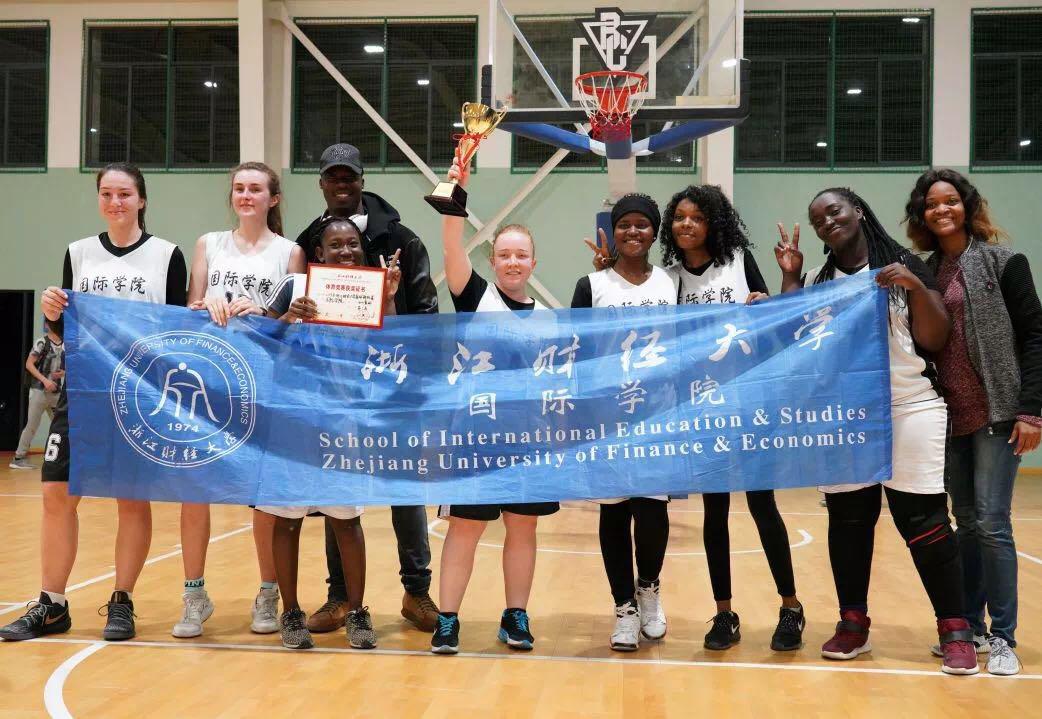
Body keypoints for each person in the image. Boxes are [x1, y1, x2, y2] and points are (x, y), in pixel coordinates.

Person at [773, 187, 978, 675]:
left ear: (858, 211)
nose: (827, 223)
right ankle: (853, 623)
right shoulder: (820, 281)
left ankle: (955, 629)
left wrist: (914, 286)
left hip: (910, 406)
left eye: (834, 211)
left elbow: (935, 338)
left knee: (924, 520)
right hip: (844, 414)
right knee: (848, 521)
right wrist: (790, 277)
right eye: (818, 219)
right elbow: (792, 339)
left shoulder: (904, 265)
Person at [0, 163, 187, 642]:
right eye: (106, 193)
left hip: (137, 396)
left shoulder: (167, 255)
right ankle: (52, 603)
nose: (115, 202)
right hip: (83, 391)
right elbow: (67, 329)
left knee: (131, 498)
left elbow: (177, 331)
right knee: (56, 493)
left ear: (141, 200)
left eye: (124, 194)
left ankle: (122, 600)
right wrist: (52, 315)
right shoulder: (79, 252)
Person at [295, 143, 441, 634]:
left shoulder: (401, 238)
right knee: (338, 494)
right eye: (333, 177)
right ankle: (340, 597)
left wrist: (417, 380)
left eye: (349, 176)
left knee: (405, 489)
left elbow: (427, 314)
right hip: (336, 394)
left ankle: (417, 591)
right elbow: (294, 312)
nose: (342, 184)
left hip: (394, 388)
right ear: (321, 183)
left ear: (362, 181)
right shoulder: (307, 241)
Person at [904, 169, 1042, 675]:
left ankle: (1004, 638)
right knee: (963, 525)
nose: (941, 210)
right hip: (948, 417)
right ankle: (972, 627)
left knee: (991, 523)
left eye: (950, 201)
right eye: (931, 204)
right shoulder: (924, 272)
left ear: (967, 206)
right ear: (922, 216)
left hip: (998, 413)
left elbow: (1035, 335)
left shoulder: (1004, 262)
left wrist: (1031, 410)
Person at [658, 184, 804, 652]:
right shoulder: (668, 279)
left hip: (749, 404)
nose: (686, 224)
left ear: (713, 224)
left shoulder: (738, 262)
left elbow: (774, 322)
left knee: (763, 506)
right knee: (714, 512)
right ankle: (724, 613)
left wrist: (777, 292)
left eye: (697, 217)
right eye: (679, 217)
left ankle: (791, 607)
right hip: (702, 409)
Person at [429, 159, 558, 655]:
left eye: (521, 255)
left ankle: (515, 615)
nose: (512, 262)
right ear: (493, 260)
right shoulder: (475, 297)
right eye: (504, 254)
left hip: (527, 438)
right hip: (474, 435)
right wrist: (456, 187)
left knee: (522, 527)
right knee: (466, 528)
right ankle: (447, 619)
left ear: (533, 263)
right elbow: (451, 246)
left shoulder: (548, 319)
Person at [173, 162, 305, 640]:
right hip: (212, 380)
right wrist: (204, 304)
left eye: (256, 189)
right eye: (239, 188)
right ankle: (194, 595)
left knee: (263, 495)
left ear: (274, 198)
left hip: (265, 384)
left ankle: (268, 592)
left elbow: (295, 320)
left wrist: (265, 312)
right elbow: (189, 310)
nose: (246, 195)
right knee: (196, 491)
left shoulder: (291, 251)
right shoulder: (208, 243)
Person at [257, 216, 399, 650]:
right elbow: (259, 341)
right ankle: (291, 612)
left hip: (343, 421)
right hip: (292, 420)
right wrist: (287, 318)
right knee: (287, 520)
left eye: (352, 244)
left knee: (346, 519)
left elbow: (393, 347)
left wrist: (389, 300)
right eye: (335, 245)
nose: (345, 252)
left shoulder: (371, 290)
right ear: (318, 253)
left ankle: (357, 611)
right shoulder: (294, 286)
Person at [572, 193, 675, 652]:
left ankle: (648, 589)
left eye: (642, 224)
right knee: (613, 512)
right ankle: (624, 608)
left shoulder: (672, 282)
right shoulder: (591, 286)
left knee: (652, 512)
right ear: (613, 232)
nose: (633, 231)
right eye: (624, 225)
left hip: (658, 414)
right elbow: (576, 352)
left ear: (655, 232)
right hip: (607, 418)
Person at [9, 320, 65, 471]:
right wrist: (45, 380)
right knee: (32, 425)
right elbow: (29, 364)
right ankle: (18, 458)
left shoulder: (65, 344)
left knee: (62, 425)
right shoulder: (41, 342)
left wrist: (63, 373)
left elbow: (66, 366)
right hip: (39, 391)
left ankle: (62, 457)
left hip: (56, 392)